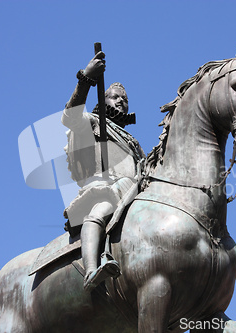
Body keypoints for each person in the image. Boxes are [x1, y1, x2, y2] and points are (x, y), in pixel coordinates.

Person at [61, 51, 145, 291]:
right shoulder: (93, 122)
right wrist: (86, 79)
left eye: (125, 99)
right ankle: (90, 270)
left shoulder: (132, 140)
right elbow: (70, 117)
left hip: (133, 193)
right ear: (104, 100)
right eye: (116, 97)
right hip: (105, 190)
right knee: (100, 212)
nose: (121, 101)